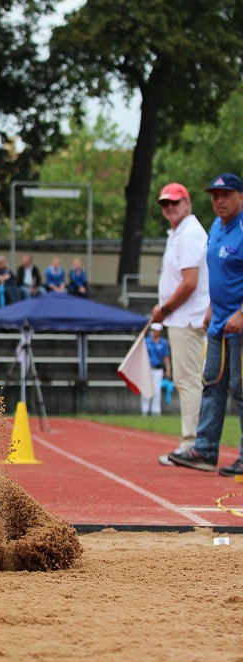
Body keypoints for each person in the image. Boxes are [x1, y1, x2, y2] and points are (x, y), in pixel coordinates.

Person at [169, 173, 243, 475]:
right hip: (218, 323)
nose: (219, 201)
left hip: (239, 323)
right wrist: (213, 305)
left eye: (225, 195)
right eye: (214, 195)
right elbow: (217, 272)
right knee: (212, 384)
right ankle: (206, 449)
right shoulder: (216, 226)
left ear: (241, 196)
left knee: (241, 389)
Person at [150, 182, 209, 466]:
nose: (170, 207)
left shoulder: (189, 234)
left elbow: (190, 283)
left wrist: (165, 309)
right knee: (189, 381)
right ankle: (195, 443)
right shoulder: (180, 233)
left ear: (187, 203)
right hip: (182, 317)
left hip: (186, 318)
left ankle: (193, 444)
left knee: (188, 382)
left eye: (175, 202)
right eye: (165, 203)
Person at [140, 323, 171, 416]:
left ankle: (156, 410)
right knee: (145, 389)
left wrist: (168, 369)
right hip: (147, 368)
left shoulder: (163, 342)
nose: (154, 332)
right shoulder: (147, 341)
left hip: (158, 369)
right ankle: (145, 410)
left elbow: (166, 357)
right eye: (153, 330)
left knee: (156, 390)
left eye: (155, 330)